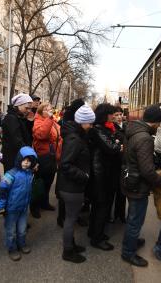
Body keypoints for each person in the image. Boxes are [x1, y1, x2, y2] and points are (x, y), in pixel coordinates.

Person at [121, 105, 161, 267]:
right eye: (160, 123)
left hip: (130, 180)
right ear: (154, 122)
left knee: (132, 217)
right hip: (138, 185)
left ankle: (131, 241)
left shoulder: (132, 130)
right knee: (135, 220)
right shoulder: (145, 138)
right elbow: (147, 170)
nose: (160, 127)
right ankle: (128, 252)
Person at [57, 104, 95, 263]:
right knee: (71, 220)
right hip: (71, 187)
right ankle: (68, 251)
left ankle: (71, 245)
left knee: (70, 218)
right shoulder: (75, 139)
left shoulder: (75, 135)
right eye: (90, 123)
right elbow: (65, 164)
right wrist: (84, 176)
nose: (91, 126)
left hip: (70, 186)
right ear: (82, 122)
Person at [88, 103, 122, 251]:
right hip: (101, 174)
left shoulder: (103, 128)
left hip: (104, 172)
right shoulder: (98, 129)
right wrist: (118, 144)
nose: (114, 116)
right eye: (111, 114)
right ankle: (97, 238)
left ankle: (94, 232)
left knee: (99, 205)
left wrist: (116, 142)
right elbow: (112, 147)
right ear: (105, 115)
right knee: (102, 205)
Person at [0, 146, 38, 261]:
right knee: (11, 231)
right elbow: (2, 190)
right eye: (24, 160)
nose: (26, 163)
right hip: (11, 209)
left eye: (29, 161)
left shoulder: (29, 173)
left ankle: (22, 244)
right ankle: (12, 248)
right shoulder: (11, 174)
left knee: (22, 229)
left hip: (23, 208)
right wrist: (0, 206)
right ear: (19, 159)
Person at [56, 99, 86, 227]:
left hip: (70, 158)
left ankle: (68, 217)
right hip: (70, 158)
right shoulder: (70, 122)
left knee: (67, 196)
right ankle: (63, 218)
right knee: (67, 195)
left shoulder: (70, 119)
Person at [32, 102, 62, 216]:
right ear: (41, 111)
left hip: (53, 156)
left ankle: (44, 203)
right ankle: (34, 206)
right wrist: (49, 119)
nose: (50, 111)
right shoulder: (38, 122)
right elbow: (42, 135)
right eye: (47, 109)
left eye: (50, 109)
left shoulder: (52, 121)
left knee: (48, 182)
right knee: (40, 182)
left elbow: (59, 136)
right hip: (43, 157)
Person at [1, 93, 33, 172]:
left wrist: (30, 122)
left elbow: (27, 135)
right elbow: (17, 140)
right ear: (19, 105)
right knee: (12, 181)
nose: (29, 111)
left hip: (19, 155)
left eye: (30, 109)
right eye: (27, 108)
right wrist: (29, 154)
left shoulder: (20, 117)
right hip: (12, 157)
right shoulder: (11, 118)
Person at [110, 106, 127, 223]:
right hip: (115, 163)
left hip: (125, 162)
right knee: (114, 190)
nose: (119, 117)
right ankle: (112, 215)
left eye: (120, 114)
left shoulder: (126, 126)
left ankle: (120, 214)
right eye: (116, 115)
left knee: (123, 191)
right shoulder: (111, 128)